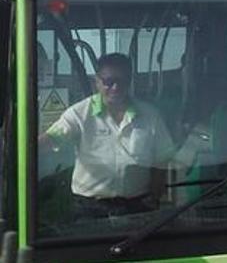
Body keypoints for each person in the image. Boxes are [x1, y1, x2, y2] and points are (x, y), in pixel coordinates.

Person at [39, 53, 175, 219]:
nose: (115, 87)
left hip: (137, 206)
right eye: (108, 81)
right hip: (90, 209)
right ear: (97, 81)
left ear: (130, 81)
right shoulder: (79, 114)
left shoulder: (150, 115)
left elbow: (162, 158)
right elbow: (52, 138)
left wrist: (154, 197)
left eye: (122, 81)